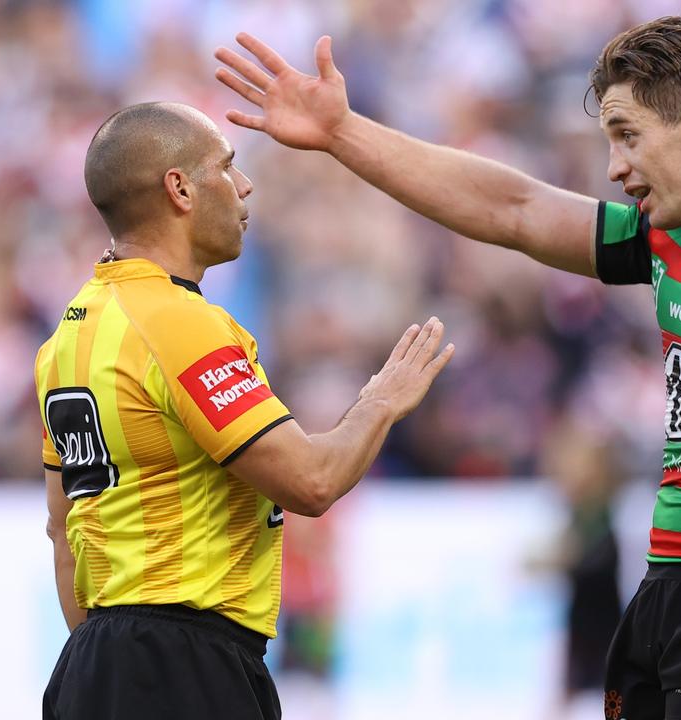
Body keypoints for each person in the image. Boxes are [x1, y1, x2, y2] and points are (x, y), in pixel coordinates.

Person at [214, 15, 681, 720]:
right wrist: (343, 133)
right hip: (669, 593)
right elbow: (514, 210)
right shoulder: (672, 239)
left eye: (628, 135)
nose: (615, 167)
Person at [34, 101, 453, 719]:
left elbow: (62, 531)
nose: (245, 184)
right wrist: (381, 402)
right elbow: (311, 481)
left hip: (92, 668)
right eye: (226, 166)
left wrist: (112, 668)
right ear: (179, 188)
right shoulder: (180, 322)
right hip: (187, 663)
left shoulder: (68, 337)